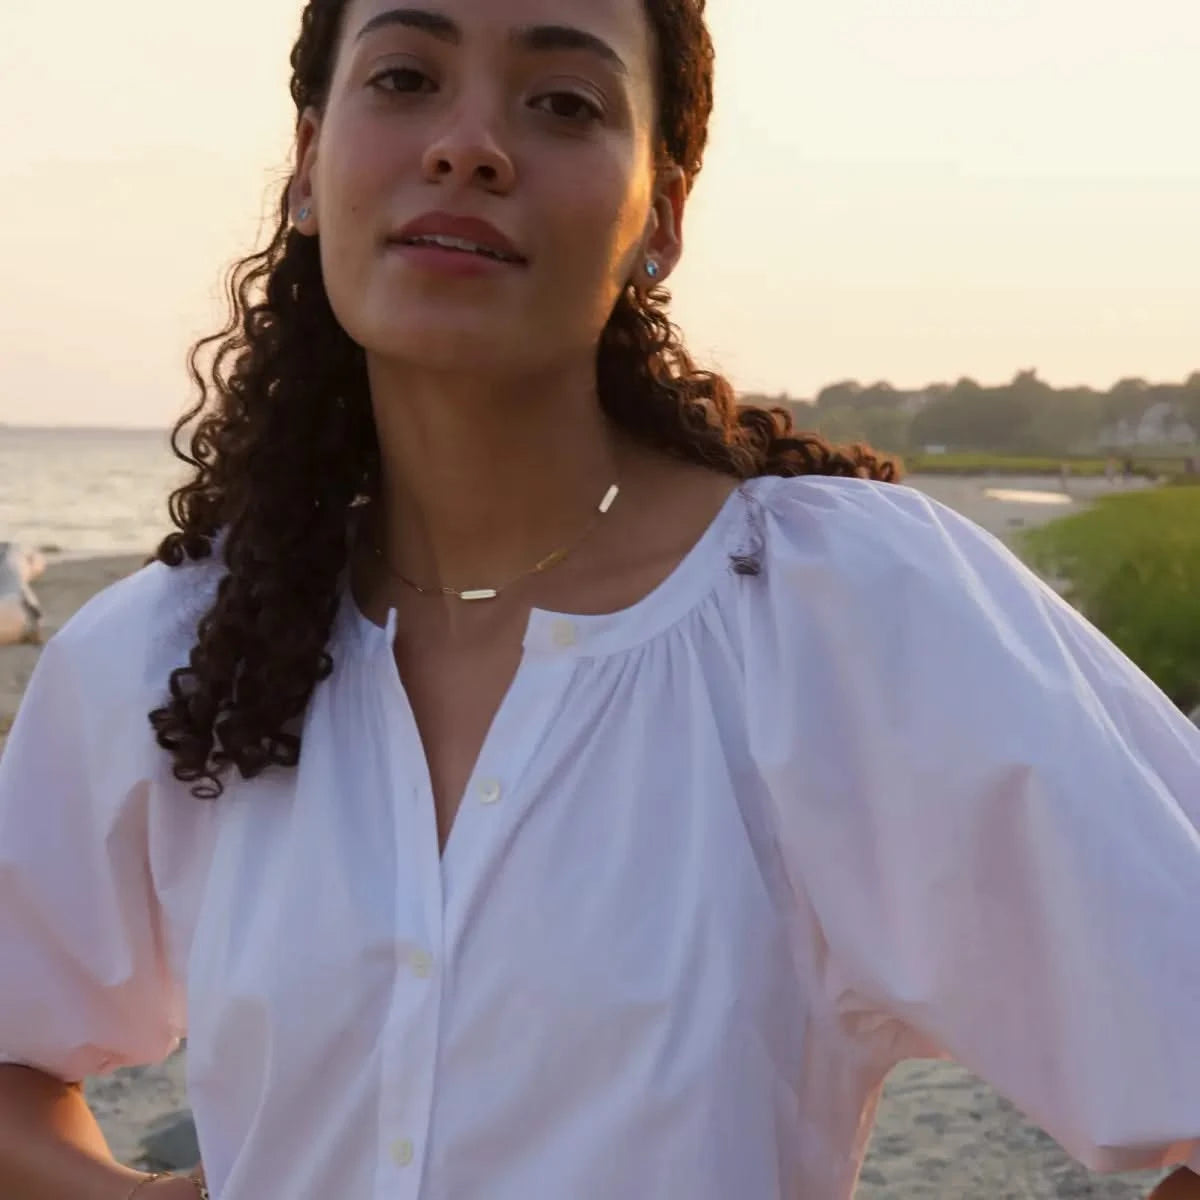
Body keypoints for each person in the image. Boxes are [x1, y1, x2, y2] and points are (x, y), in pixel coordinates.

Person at [1, 2, 1198, 1198]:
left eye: (563, 103)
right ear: (309, 163)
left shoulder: (837, 618)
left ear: (660, 218)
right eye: (407, 77)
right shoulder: (182, 651)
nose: (469, 147)